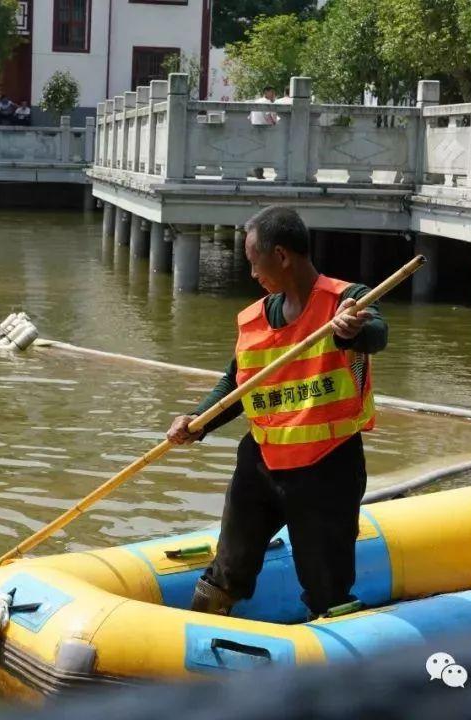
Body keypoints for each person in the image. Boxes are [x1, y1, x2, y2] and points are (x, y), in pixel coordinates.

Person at [166, 206, 388, 619]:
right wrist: (195, 423)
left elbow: (376, 333)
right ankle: (194, 644)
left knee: (327, 587)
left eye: (255, 262)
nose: (252, 274)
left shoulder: (347, 301)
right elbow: (236, 384)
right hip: (262, 464)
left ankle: (324, 664)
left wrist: (353, 329)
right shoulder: (254, 319)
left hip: (328, 468)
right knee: (226, 569)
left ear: (282, 256)